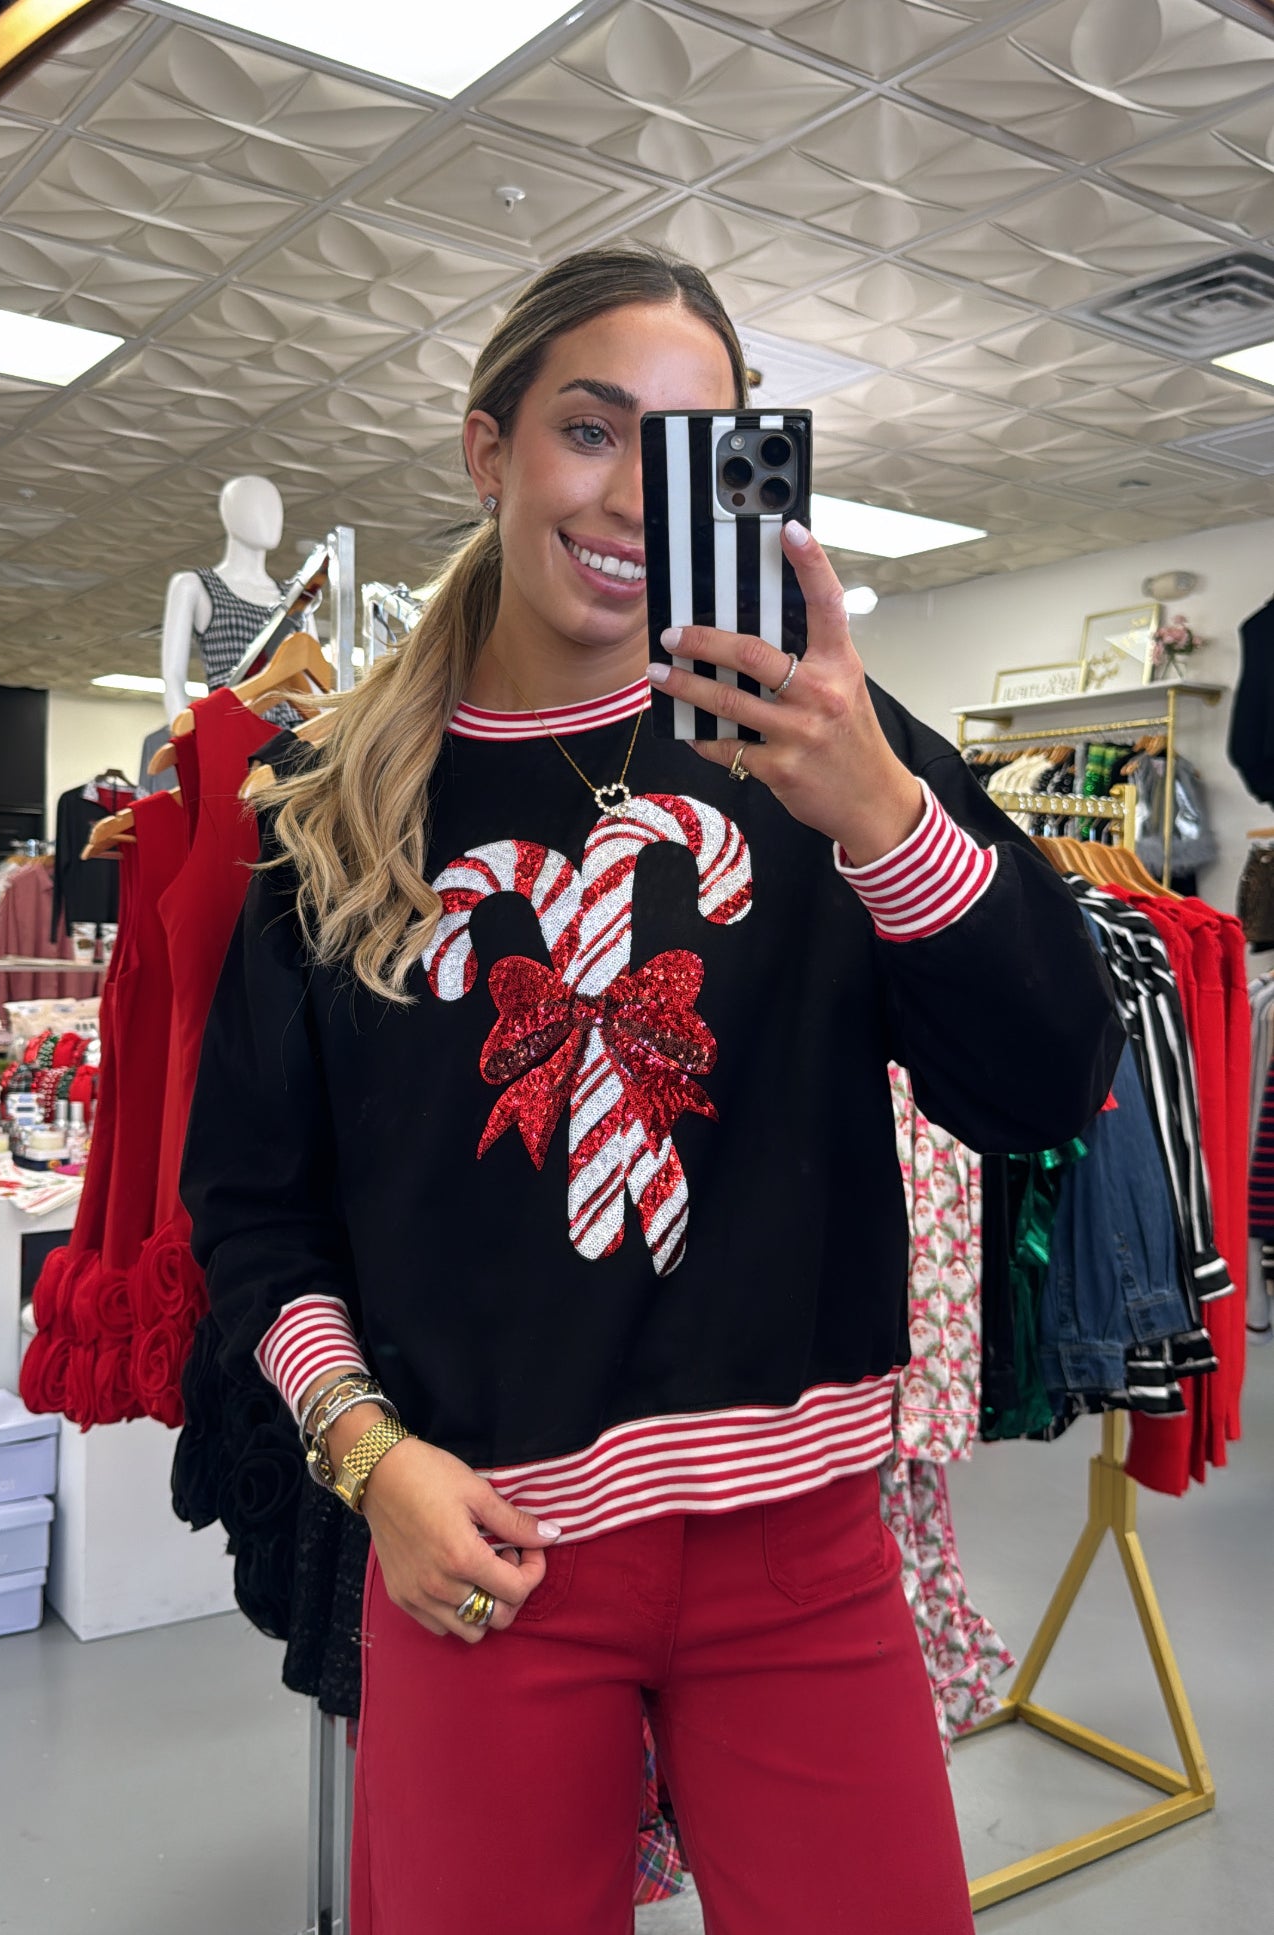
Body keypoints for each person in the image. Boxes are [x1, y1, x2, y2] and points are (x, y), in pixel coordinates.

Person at [182, 246, 1122, 1934]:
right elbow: (255, 1210)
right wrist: (368, 1456)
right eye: (589, 430)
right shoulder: (331, 810)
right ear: (489, 451)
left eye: (690, 448)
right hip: (483, 1550)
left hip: (801, 1549)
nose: (629, 497)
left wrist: (883, 819)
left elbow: (1043, 1081)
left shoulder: (818, 739)